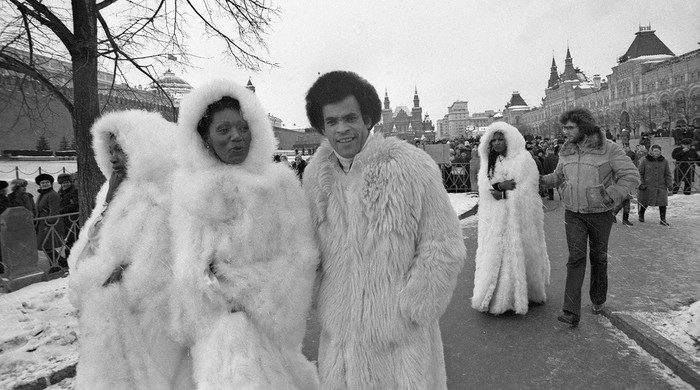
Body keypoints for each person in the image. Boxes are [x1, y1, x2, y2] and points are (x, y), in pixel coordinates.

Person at [303, 71, 465, 390]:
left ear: (369, 119)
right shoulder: (314, 178)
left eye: (350, 118)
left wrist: (414, 307)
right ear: (322, 128)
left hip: (401, 345)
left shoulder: (410, 166)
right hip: (341, 345)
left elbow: (443, 243)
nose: (342, 129)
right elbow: (307, 250)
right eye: (332, 121)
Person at [169, 79, 319, 389]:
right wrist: (204, 283)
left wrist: (243, 289)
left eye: (243, 127)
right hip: (215, 344)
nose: (237, 137)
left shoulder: (279, 185)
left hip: (268, 340)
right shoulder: (188, 192)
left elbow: (300, 260)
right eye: (223, 131)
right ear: (205, 139)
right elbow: (183, 269)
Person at [67, 110, 193, 389]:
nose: (113, 157)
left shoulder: (163, 194)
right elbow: (92, 248)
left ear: (144, 147)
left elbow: (164, 260)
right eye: (110, 150)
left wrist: (125, 274)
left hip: (150, 316)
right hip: (114, 314)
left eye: (121, 149)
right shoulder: (113, 192)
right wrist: (110, 201)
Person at [541, 108, 639, 327]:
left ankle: (598, 298)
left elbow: (631, 176)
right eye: (563, 127)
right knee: (575, 258)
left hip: (600, 215)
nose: (565, 132)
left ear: (583, 126)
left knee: (599, 258)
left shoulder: (608, 148)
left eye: (570, 127)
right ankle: (570, 311)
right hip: (573, 213)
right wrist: (538, 180)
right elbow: (558, 176)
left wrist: (609, 196)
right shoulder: (566, 150)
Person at [471, 122, 550, 315]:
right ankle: (498, 298)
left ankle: (525, 294)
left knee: (520, 253)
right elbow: (485, 188)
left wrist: (505, 192)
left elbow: (527, 188)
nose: (497, 143)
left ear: (510, 140)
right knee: (495, 255)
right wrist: (499, 189)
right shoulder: (488, 161)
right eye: (494, 140)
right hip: (495, 219)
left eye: (501, 139)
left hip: (519, 219)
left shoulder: (524, 159)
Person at [637, 144, 673, 226]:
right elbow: (640, 173)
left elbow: (667, 174)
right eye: (655, 151)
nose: (656, 152)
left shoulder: (664, 161)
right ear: (651, 151)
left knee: (663, 203)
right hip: (648, 185)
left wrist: (669, 184)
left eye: (658, 151)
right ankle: (641, 214)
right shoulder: (645, 160)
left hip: (661, 186)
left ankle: (663, 219)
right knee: (645, 201)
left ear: (660, 151)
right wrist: (641, 183)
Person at [34, 173, 63, 266]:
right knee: (46, 246)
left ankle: (55, 265)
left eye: (47, 182)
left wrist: (49, 224)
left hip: (49, 224)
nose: (45, 184)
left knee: (47, 245)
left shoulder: (52, 194)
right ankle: (60, 262)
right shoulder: (43, 194)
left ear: (51, 183)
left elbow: (54, 211)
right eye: (42, 183)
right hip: (42, 223)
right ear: (39, 184)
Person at [57, 173, 79, 257]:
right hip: (64, 219)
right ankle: (68, 257)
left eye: (67, 182)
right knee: (67, 238)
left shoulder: (74, 191)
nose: (65, 184)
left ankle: (71, 257)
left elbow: (75, 205)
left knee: (72, 238)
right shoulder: (60, 191)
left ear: (70, 182)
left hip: (72, 218)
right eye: (63, 183)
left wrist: (61, 210)